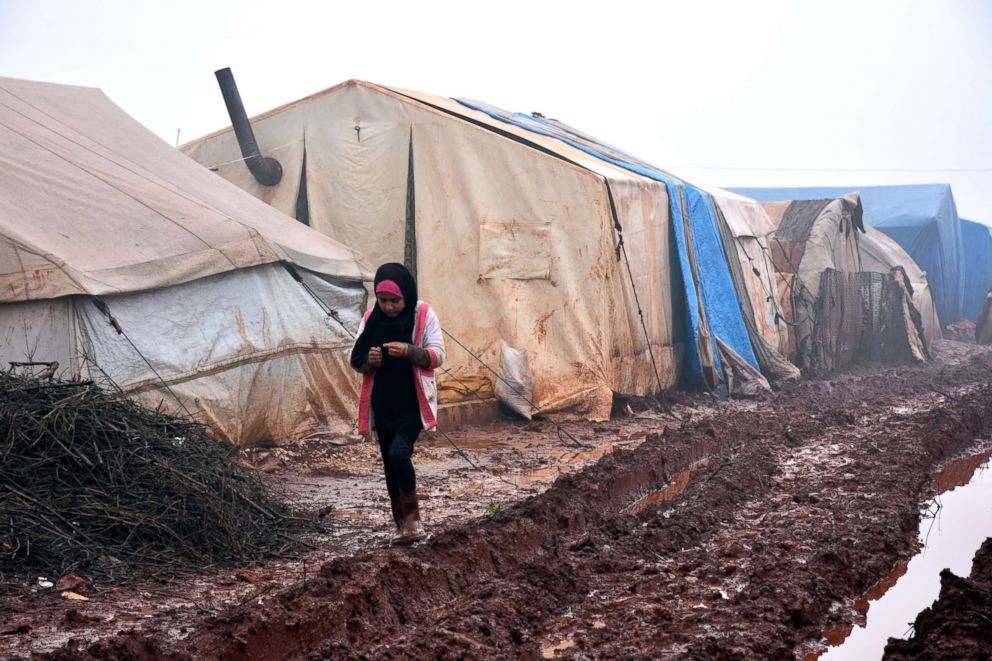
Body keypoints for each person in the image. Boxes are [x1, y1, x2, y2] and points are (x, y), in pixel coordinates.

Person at [350, 263, 445, 545]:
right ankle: (400, 525)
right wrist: (371, 361)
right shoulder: (371, 319)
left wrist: (410, 351)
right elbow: (356, 359)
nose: (389, 307)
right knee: (389, 464)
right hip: (383, 403)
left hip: (412, 402)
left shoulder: (423, 315)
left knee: (399, 454)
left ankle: (413, 520)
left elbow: (438, 355)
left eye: (395, 301)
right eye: (383, 301)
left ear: (407, 296)